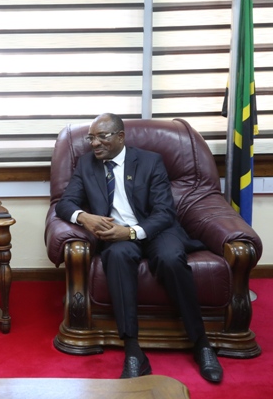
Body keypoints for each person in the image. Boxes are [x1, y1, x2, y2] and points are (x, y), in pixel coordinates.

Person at [55, 113, 223, 383]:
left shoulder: (149, 161)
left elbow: (165, 212)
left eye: (102, 136)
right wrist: (84, 217)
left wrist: (132, 231)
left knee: (170, 258)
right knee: (117, 257)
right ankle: (133, 351)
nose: (94, 143)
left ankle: (201, 343)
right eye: (91, 138)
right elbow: (64, 203)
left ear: (120, 137)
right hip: (116, 236)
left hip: (156, 230)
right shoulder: (86, 165)